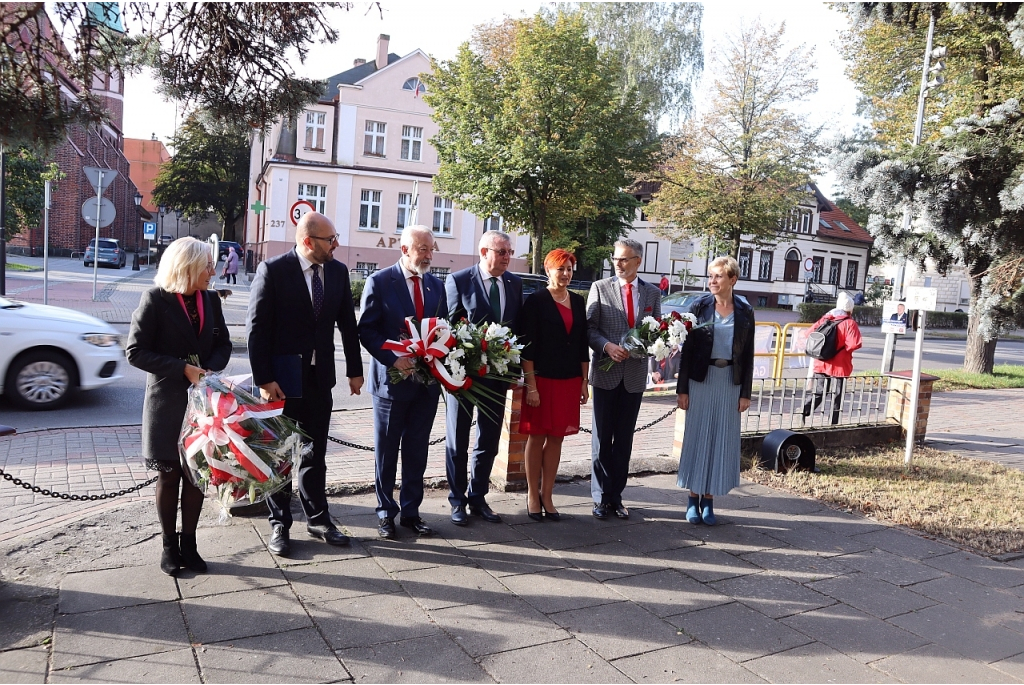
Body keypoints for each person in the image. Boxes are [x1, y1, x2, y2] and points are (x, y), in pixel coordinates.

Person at [247, 212, 364, 557]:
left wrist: (354, 371)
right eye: (331, 240)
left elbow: (347, 325)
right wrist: (264, 379)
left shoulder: (339, 272)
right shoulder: (274, 270)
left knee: (316, 453)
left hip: (319, 379)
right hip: (280, 382)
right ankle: (280, 523)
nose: (337, 245)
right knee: (279, 456)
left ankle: (318, 517)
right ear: (308, 241)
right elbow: (257, 330)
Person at [126, 238, 232, 576]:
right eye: (208, 266)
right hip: (167, 403)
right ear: (187, 267)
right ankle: (169, 546)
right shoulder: (155, 299)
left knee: (196, 477)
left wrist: (212, 368)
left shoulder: (211, 300)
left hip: (202, 406)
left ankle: (190, 544)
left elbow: (223, 343)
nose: (214, 272)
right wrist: (181, 368)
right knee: (169, 475)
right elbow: (135, 352)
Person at [358, 225, 448, 539]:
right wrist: (393, 358)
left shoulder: (437, 285)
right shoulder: (380, 282)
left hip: (427, 386)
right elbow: (366, 330)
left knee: (416, 450)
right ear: (405, 250)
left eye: (431, 249)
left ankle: (411, 512)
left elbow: (443, 331)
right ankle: (385, 514)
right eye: (423, 249)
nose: (429, 255)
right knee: (387, 452)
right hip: (390, 386)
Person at [444, 231, 523, 526]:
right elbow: (449, 328)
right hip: (463, 378)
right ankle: (457, 500)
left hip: (498, 378)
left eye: (509, 252)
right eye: (501, 252)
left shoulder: (514, 283)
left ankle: (478, 497)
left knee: (489, 440)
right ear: (483, 251)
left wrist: (514, 372)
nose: (506, 257)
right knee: (458, 440)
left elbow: (517, 332)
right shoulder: (459, 280)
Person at [676, 256, 755, 526]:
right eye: (710, 276)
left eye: (718, 276)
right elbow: (686, 350)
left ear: (732, 279)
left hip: (729, 383)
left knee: (721, 439)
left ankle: (709, 500)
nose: (712, 281)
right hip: (701, 380)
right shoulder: (699, 306)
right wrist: (682, 388)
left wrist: (746, 392)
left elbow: (749, 354)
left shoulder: (745, 310)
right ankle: (692, 497)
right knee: (698, 438)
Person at [586, 239, 662, 520]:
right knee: (601, 440)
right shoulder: (600, 288)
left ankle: (615, 497)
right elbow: (590, 328)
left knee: (624, 442)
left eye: (624, 259)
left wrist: (646, 351)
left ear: (638, 261)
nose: (618, 264)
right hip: (606, 374)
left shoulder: (652, 293)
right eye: (615, 259)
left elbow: (657, 332)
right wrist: (607, 346)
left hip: (633, 376)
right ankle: (599, 497)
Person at [519, 249, 590, 521]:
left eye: (570, 269)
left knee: (557, 437)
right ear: (548, 270)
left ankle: (547, 495)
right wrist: (531, 385)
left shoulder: (578, 301)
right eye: (561, 268)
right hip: (542, 378)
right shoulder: (536, 301)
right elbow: (528, 346)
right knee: (537, 435)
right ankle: (532, 495)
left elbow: (582, 343)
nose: (566, 274)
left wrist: (584, 381)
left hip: (569, 379)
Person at [802, 291, 863, 426]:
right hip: (840, 365)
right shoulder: (850, 323)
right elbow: (854, 344)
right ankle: (833, 422)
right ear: (850, 309)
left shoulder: (826, 318)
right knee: (837, 395)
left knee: (819, 391)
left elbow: (809, 334)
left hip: (821, 361)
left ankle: (805, 410)